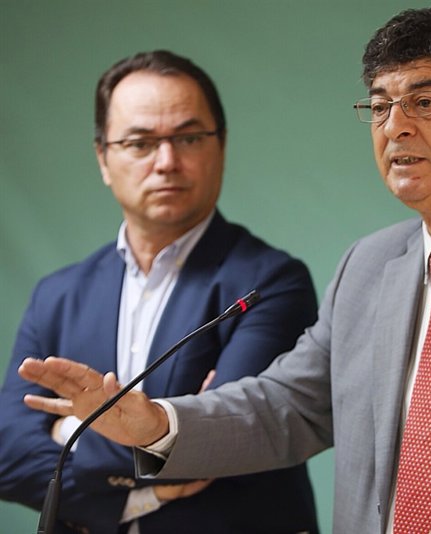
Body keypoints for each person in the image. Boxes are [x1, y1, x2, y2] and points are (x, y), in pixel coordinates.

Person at [17, 8, 431, 534]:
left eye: (424, 102)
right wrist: (152, 423)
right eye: (379, 105)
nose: (394, 126)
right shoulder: (368, 265)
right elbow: (287, 408)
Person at [0, 50, 320, 534]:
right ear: (103, 158)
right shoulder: (58, 295)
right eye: (140, 143)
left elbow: (225, 441)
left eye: (188, 138)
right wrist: (143, 487)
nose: (167, 162)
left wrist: (67, 432)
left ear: (221, 145)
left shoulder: (271, 284)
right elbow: (8, 455)